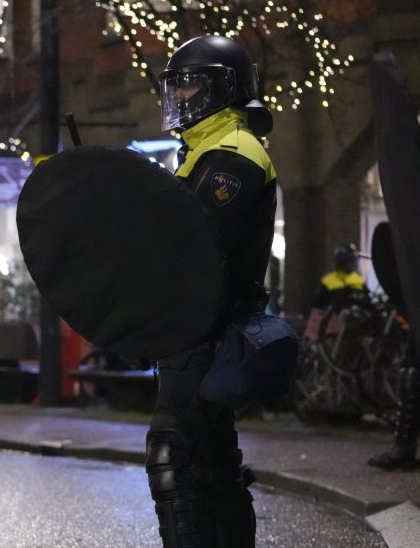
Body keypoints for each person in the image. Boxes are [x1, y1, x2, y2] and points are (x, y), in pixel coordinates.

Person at [147, 34, 278, 547]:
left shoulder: (232, 152)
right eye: (175, 86)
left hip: (208, 326)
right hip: (194, 328)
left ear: (225, 87)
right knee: (210, 456)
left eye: (190, 85)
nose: (179, 96)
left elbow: (196, 246)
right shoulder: (203, 149)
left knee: (174, 450)